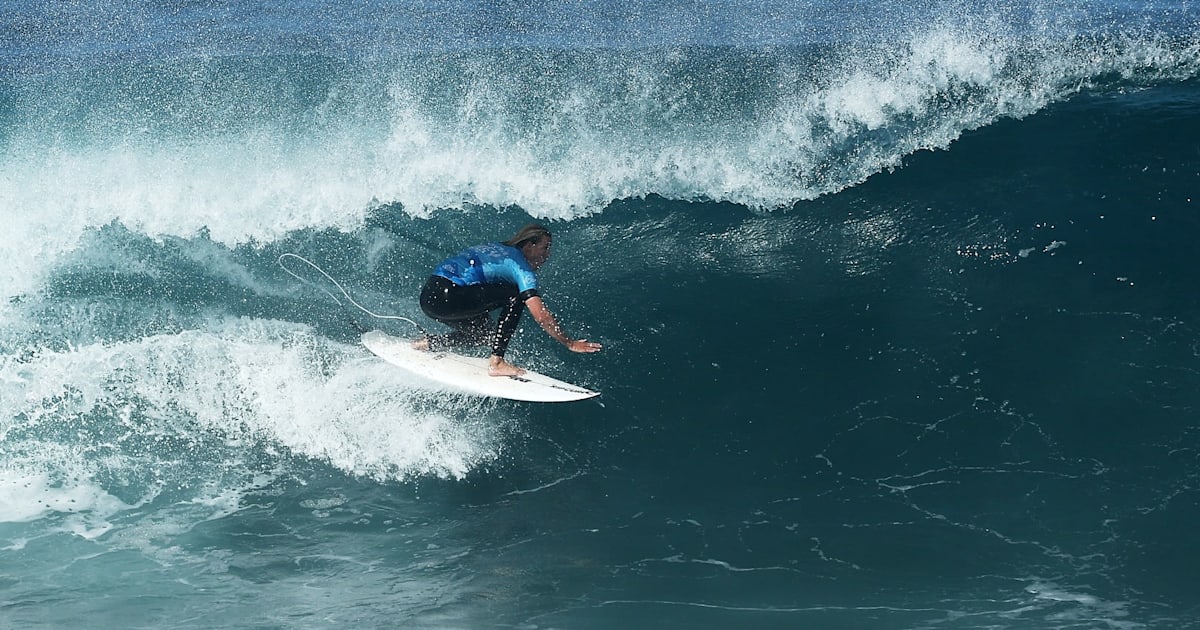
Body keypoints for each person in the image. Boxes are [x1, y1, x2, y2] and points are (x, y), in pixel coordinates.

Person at [415, 224, 602, 376]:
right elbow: (541, 317)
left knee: (485, 335)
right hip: (450, 299)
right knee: (515, 295)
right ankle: (496, 363)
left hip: (429, 297)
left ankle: (430, 343)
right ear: (530, 245)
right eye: (545, 248)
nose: (547, 255)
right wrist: (569, 343)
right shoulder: (519, 266)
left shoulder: (495, 247)